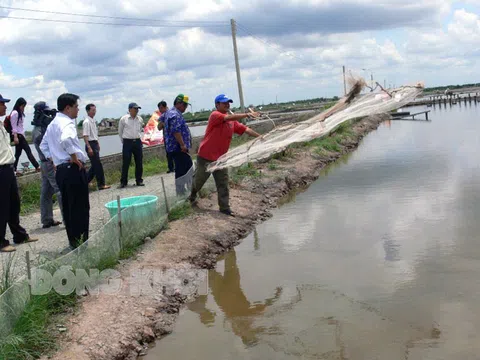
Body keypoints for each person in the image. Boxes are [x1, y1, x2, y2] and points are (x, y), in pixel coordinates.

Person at [189, 94, 261, 216]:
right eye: (224, 103)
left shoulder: (232, 122)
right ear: (217, 105)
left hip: (221, 158)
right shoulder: (215, 115)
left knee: (223, 182)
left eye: (228, 103)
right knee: (199, 181)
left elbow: (245, 129)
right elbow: (227, 118)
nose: (227, 105)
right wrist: (247, 114)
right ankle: (192, 195)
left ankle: (224, 208)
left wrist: (260, 137)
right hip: (206, 155)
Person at [40, 93, 89, 250]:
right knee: (80, 208)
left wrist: (53, 159)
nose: (78, 110)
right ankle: (82, 243)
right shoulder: (67, 123)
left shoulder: (53, 124)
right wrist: (74, 156)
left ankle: (73, 242)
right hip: (72, 168)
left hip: (61, 170)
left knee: (68, 208)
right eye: (76, 107)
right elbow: (66, 140)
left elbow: (43, 146)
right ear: (68, 108)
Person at [0, 94, 38, 252]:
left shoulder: (1, 124)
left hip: (8, 168)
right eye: (2, 104)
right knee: (2, 206)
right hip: (1, 169)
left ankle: (19, 235)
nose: (5, 107)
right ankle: (1, 241)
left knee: (14, 203)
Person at [31, 101, 64, 229]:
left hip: (45, 164)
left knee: (46, 192)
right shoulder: (38, 132)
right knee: (59, 190)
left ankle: (47, 219)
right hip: (49, 163)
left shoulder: (41, 129)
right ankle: (68, 219)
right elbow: (46, 149)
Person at [163, 94, 193, 195]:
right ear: (179, 103)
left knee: (184, 169)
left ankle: (186, 191)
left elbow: (161, 121)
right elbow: (176, 131)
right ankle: (182, 192)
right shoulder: (174, 115)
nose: (185, 108)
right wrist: (182, 145)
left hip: (178, 148)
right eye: (184, 105)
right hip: (178, 148)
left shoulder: (171, 113)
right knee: (184, 169)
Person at [10, 97, 40, 175]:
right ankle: (37, 166)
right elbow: (14, 126)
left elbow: (20, 126)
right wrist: (15, 137)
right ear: (19, 105)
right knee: (28, 151)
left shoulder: (19, 113)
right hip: (18, 136)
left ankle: (13, 169)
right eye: (23, 106)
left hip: (20, 135)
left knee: (17, 154)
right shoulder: (15, 113)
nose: (23, 108)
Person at [83, 104, 110, 190]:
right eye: (92, 110)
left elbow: (95, 134)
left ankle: (84, 182)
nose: (94, 112)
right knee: (97, 165)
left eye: (95, 110)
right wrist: (89, 147)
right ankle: (101, 184)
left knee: (95, 166)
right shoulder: (86, 122)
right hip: (90, 144)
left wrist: (97, 143)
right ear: (88, 111)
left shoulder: (93, 121)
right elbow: (85, 136)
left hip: (94, 143)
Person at [118, 103, 144, 188]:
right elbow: (120, 131)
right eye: (135, 109)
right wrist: (124, 142)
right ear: (129, 109)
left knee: (139, 162)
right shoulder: (124, 119)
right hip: (127, 142)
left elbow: (140, 130)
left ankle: (139, 180)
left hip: (137, 141)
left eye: (137, 109)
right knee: (126, 162)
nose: (136, 110)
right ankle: (123, 181)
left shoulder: (139, 119)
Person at [156, 100, 174, 173]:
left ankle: (176, 166)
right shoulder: (162, 117)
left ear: (165, 107)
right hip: (166, 137)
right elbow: (159, 127)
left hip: (173, 137)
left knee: (175, 153)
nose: (160, 110)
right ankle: (171, 167)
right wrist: (162, 123)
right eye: (159, 109)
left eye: (161, 108)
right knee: (168, 153)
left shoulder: (171, 114)